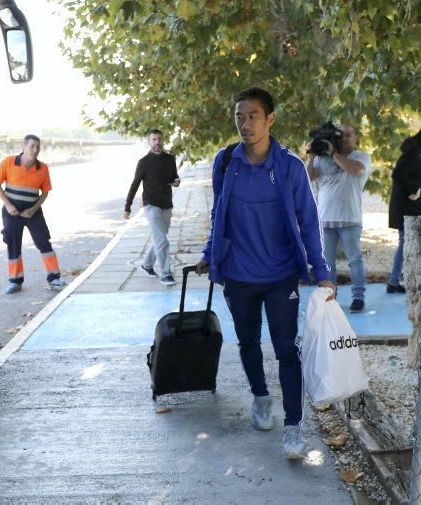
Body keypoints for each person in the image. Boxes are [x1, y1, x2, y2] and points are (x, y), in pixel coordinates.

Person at [195, 87, 336, 460]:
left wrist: (320, 271)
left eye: (253, 116)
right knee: (248, 343)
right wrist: (210, 254)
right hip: (238, 274)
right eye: (239, 116)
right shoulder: (226, 162)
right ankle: (260, 396)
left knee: (287, 349)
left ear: (269, 119)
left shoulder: (289, 167)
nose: (245, 123)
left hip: (280, 275)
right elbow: (218, 214)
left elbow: (309, 222)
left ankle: (293, 427)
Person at [307, 124, 371, 313]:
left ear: (355, 137)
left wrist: (333, 153)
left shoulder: (361, 157)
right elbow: (308, 177)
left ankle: (358, 297)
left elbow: (355, 170)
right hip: (325, 218)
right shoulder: (322, 158)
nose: (343, 138)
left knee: (354, 260)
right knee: (327, 262)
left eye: (348, 134)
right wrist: (311, 156)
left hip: (350, 218)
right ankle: (330, 296)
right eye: (340, 135)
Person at [0, 134, 66, 293]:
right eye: (32, 146)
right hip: (11, 212)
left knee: (44, 242)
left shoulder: (43, 168)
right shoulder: (8, 162)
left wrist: (32, 210)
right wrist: (8, 205)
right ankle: (15, 281)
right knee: (13, 244)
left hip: (33, 213)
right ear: (23, 147)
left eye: (38, 147)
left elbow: (45, 193)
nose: (35, 150)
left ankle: (55, 278)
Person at [123, 129, 181, 287]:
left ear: (163, 140)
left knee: (159, 239)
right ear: (149, 142)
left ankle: (146, 264)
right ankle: (166, 274)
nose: (157, 142)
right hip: (151, 204)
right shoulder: (144, 162)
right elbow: (135, 184)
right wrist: (127, 206)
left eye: (159, 139)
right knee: (162, 240)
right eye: (154, 139)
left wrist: (176, 181)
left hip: (167, 204)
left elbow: (174, 177)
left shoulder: (170, 159)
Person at [386, 127, 421, 293]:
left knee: (408, 242)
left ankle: (396, 281)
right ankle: (405, 280)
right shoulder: (414, 155)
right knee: (413, 241)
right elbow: (397, 174)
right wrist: (413, 188)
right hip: (407, 207)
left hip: (412, 207)